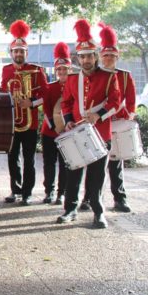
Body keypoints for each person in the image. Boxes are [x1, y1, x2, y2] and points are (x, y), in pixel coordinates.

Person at [57, 19, 120, 229]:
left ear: (96, 56)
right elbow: (66, 103)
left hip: (100, 133)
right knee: (73, 174)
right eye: (82, 56)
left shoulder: (109, 77)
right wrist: (68, 122)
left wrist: (98, 115)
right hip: (76, 133)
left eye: (89, 56)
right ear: (78, 58)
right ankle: (70, 210)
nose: (86, 60)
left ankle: (98, 212)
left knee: (96, 177)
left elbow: (115, 101)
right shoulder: (73, 79)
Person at [80, 25, 135, 213]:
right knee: (93, 164)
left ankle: (120, 198)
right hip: (98, 125)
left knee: (115, 165)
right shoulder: (96, 76)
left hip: (116, 125)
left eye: (112, 56)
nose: (108, 59)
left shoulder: (125, 76)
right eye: (105, 56)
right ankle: (89, 198)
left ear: (117, 57)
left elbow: (131, 104)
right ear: (100, 57)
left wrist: (124, 119)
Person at [0, 20, 48, 205]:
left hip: (29, 122)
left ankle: (27, 192)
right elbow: (4, 92)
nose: (18, 54)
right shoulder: (6, 70)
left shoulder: (37, 70)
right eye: (16, 51)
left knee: (29, 159)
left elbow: (45, 95)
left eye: (22, 51)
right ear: (11, 53)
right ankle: (15, 190)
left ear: (26, 53)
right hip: (13, 122)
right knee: (12, 158)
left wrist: (32, 102)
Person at [41, 43, 71, 205]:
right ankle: (49, 192)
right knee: (49, 163)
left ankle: (62, 193)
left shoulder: (74, 87)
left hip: (67, 132)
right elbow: (46, 108)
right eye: (59, 69)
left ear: (69, 69)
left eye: (64, 69)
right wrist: (55, 125)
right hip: (50, 131)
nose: (61, 72)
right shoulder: (50, 87)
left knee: (65, 163)